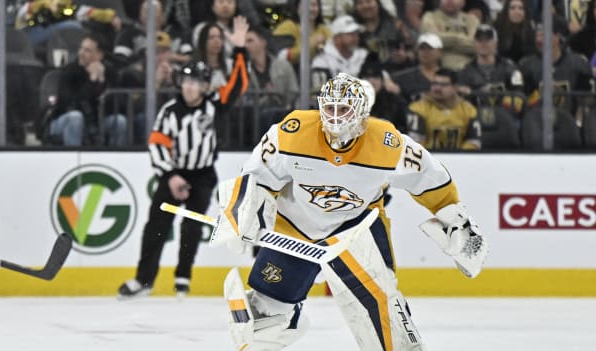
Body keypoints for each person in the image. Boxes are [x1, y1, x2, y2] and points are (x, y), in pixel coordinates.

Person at [212, 72, 489, 350]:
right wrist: (243, 214)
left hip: (357, 229)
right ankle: (281, 317)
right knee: (266, 321)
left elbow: (430, 180)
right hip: (296, 224)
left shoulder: (388, 143)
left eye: (343, 109)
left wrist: (457, 222)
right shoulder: (291, 132)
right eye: (329, 108)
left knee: (386, 317)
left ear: (360, 112)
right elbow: (256, 176)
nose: (335, 117)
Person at [117, 16, 249, 300]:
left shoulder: (214, 105)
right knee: (156, 226)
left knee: (191, 227)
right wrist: (170, 175)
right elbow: (156, 145)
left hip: (202, 175)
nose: (189, 87)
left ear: (204, 85)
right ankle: (144, 280)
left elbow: (238, 84)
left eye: (195, 82)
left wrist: (239, 50)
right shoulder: (170, 111)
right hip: (174, 174)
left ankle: (182, 278)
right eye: (185, 81)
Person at [44, 33, 128, 146]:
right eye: (81, 48)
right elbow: (71, 105)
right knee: (76, 117)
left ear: (99, 55)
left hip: (96, 122)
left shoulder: (109, 72)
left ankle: (114, 159)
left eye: (87, 50)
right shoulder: (70, 71)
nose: (81, 53)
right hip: (64, 120)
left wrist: (102, 83)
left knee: (120, 122)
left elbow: (119, 105)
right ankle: (73, 157)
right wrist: (92, 80)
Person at [408, 68, 482, 150]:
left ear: (455, 87)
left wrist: (459, 156)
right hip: (428, 158)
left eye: (443, 85)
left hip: (461, 159)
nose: (437, 88)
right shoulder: (418, 108)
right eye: (434, 83)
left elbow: (474, 141)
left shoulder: (469, 110)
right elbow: (415, 142)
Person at [420, 0, 479, 70]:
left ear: (463, 2)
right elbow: (432, 40)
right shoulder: (430, 17)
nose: (449, 1)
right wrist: (459, 38)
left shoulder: (472, 20)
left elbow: (477, 46)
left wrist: (445, 45)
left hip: (471, 70)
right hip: (441, 70)